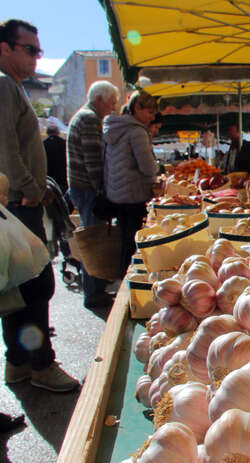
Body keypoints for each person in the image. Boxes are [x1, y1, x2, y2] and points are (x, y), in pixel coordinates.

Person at [0, 18, 79, 392]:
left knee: (15, 290)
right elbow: (5, 148)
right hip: (18, 204)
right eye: (29, 49)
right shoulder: (4, 86)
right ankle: (41, 365)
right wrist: (30, 188)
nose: (36, 57)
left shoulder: (12, 87)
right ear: (5, 48)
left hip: (17, 202)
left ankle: (17, 363)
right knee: (36, 286)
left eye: (39, 51)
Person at [66, 80, 119, 308]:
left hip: (82, 187)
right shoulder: (89, 119)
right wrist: (102, 191)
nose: (113, 108)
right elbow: (93, 160)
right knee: (93, 240)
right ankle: (93, 292)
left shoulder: (85, 116)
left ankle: (95, 288)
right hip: (87, 188)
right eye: (112, 103)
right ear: (100, 99)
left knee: (93, 236)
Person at [103, 90, 158, 277]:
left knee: (125, 238)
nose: (151, 118)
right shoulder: (136, 132)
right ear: (137, 107)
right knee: (134, 240)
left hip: (117, 193)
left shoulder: (114, 128)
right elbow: (147, 167)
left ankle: (122, 275)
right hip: (135, 194)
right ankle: (131, 279)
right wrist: (156, 169)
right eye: (149, 112)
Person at [43, 124, 67, 193]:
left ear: (47, 133)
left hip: (49, 181)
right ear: (58, 132)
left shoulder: (43, 144)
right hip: (63, 180)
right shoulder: (65, 143)